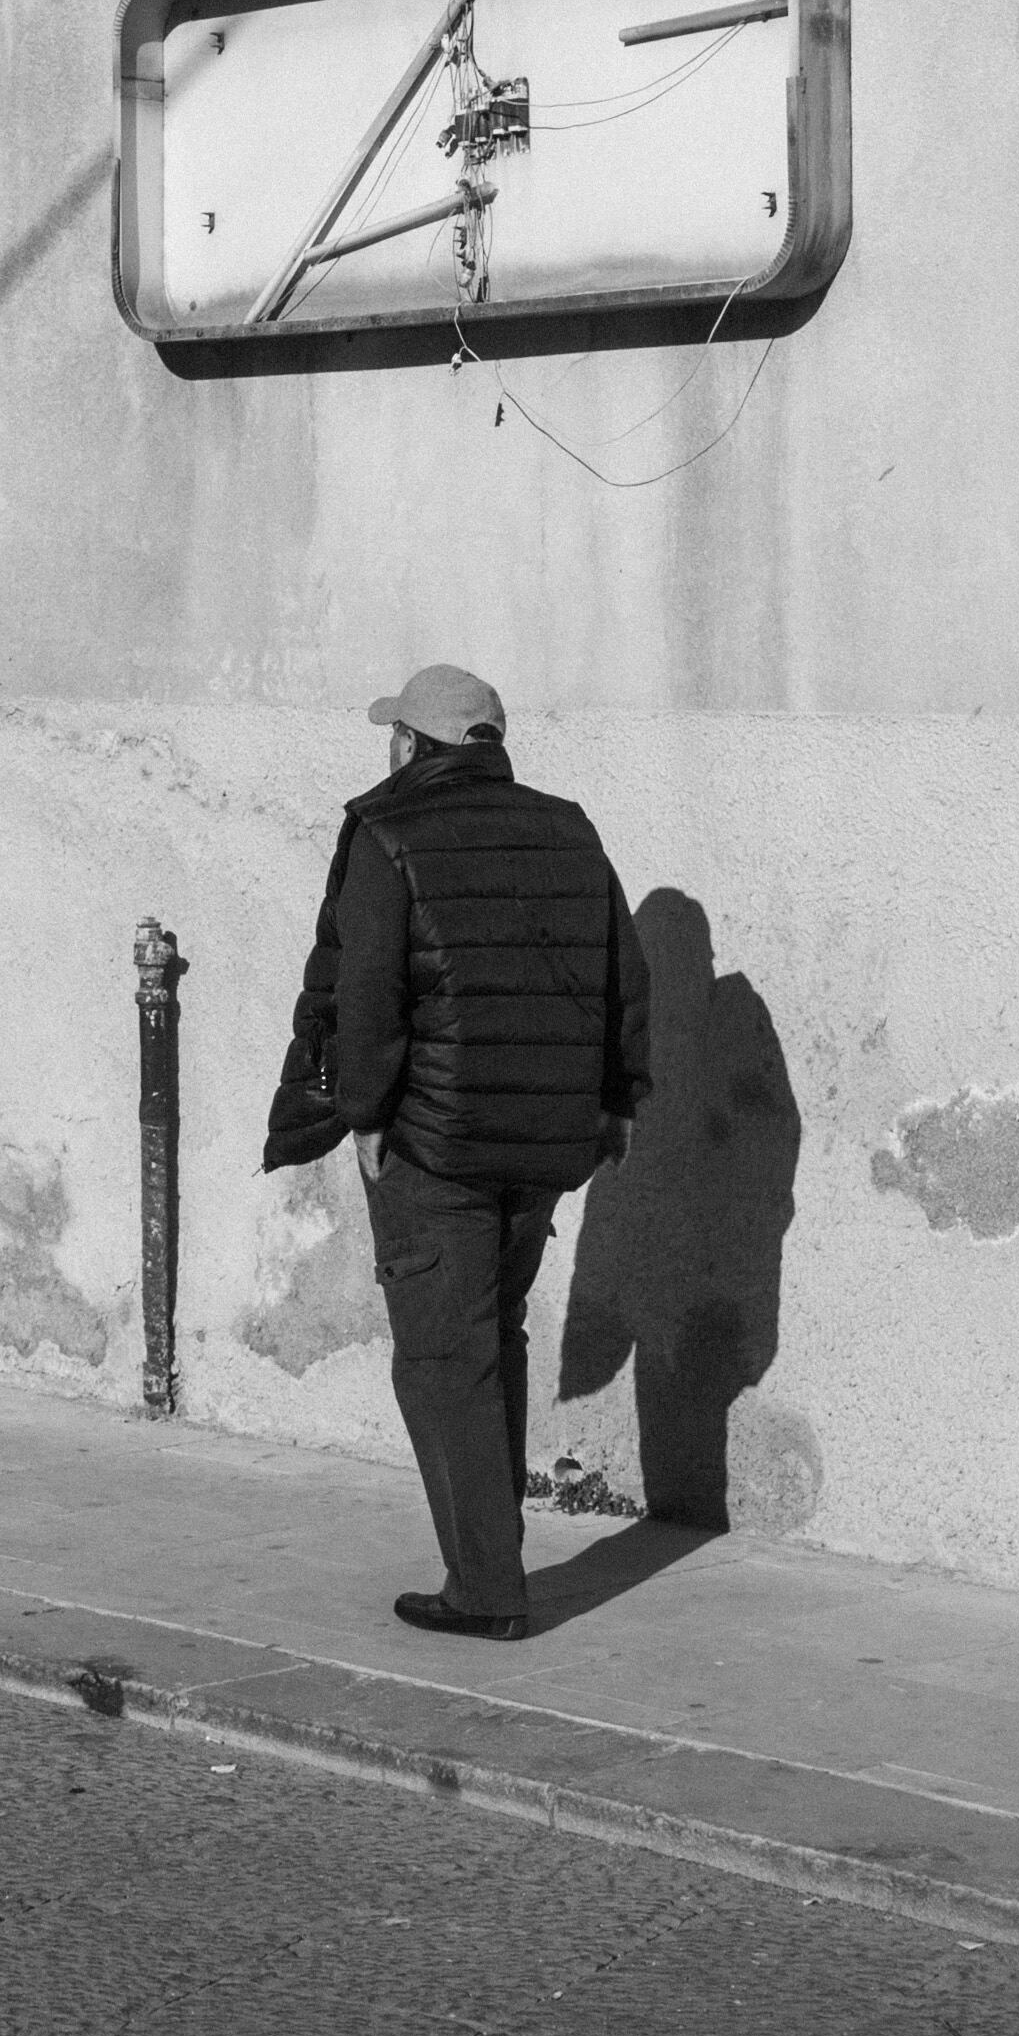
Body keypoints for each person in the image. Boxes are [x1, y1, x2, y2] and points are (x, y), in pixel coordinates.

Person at [265, 662, 649, 1640]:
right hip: (541, 1144)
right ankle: (493, 1549)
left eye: (392, 733)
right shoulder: (566, 831)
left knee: (443, 1357)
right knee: (492, 1337)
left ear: (409, 746)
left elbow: (367, 995)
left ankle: (485, 1584)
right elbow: (624, 985)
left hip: (435, 1146)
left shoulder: (387, 834)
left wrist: (361, 1118)